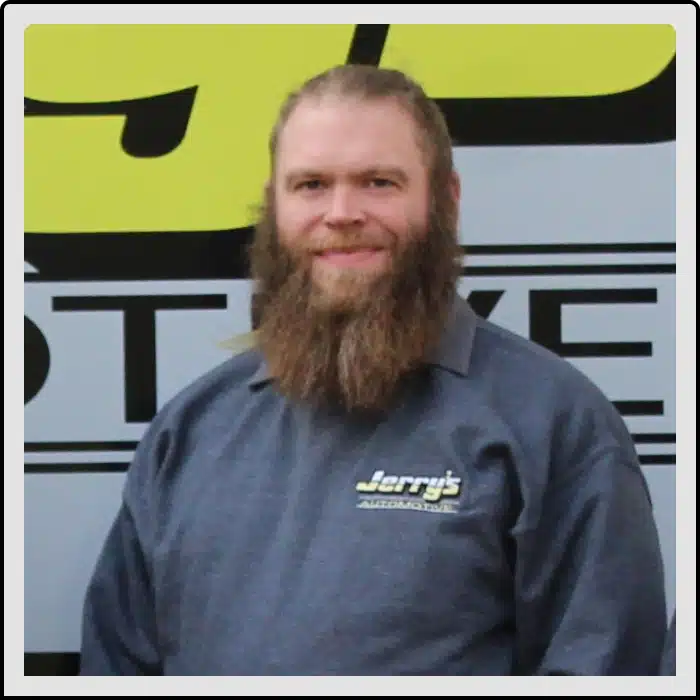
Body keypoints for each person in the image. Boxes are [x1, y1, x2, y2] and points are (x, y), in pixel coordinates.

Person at [79, 64, 668, 675]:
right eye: (310, 185)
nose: (341, 212)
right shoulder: (192, 429)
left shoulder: (553, 424)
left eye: (378, 182)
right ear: (274, 204)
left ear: (445, 198)